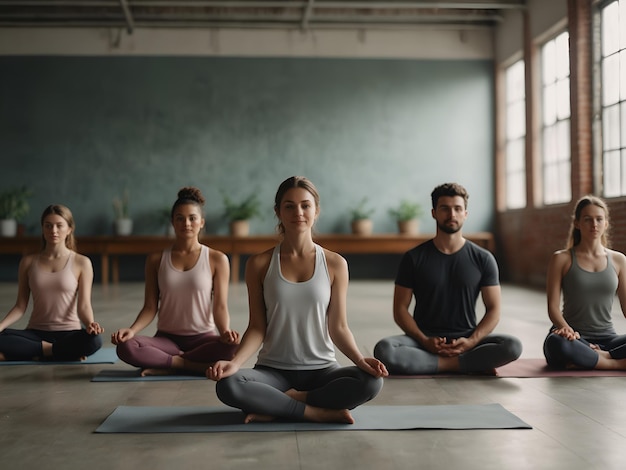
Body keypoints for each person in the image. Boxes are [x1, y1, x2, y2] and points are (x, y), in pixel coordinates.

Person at [208, 176, 387, 424]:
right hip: (273, 371)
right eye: (289, 206)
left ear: (316, 210)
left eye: (305, 205)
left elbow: (339, 327)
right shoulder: (258, 264)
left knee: (371, 382)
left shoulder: (335, 264)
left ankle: (281, 404)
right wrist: (235, 362)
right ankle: (315, 412)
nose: (298, 212)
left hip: (323, 371)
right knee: (229, 385)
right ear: (278, 212)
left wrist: (359, 359)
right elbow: (258, 327)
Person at [373, 182, 522, 375]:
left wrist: (471, 341)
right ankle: (462, 364)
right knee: (384, 349)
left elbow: (494, 310)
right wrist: (424, 340)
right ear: (434, 212)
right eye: (445, 209)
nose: (452, 215)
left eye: (457, 209)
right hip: (423, 341)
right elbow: (400, 309)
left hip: (467, 339)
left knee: (512, 346)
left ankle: (437, 364)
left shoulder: (483, 258)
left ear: (465, 214)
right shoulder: (413, 258)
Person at [111, 187, 240, 376]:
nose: (186, 223)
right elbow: (149, 306)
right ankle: (188, 364)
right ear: (172, 222)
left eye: (192, 218)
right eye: (180, 218)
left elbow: (220, 307)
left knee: (235, 347)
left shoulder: (217, 259)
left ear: (201, 222)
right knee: (126, 347)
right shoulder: (156, 259)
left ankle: (168, 364)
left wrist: (226, 332)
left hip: (203, 340)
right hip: (167, 341)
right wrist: (132, 330)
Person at [0, 204, 104, 361]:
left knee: (95, 341)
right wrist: (0, 326)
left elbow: (84, 305)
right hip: (36, 333)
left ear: (69, 229)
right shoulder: (28, 262)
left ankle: (34, 352)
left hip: (70, 333)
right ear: (42, 228)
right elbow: (21, 305)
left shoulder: (82, 262)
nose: (53, 231)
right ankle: (58, 352)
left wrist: (90, 324)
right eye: (48, 226)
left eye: (59, 226)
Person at [543, 195, 626, 370]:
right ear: (577, 223)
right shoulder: (561, 258)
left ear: (606, 223)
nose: (594, 224)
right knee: (556, 343)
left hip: (609, 340)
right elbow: (553, 308)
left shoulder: (619, 260)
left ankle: (599, 357)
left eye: (599, 219)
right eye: (587, 219)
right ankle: (615, 363)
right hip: (573, 337)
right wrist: (567, 331)